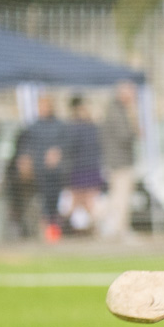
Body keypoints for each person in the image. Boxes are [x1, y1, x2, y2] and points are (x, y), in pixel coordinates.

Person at [19, 94, 67, 243]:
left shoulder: (59, 126)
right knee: (42, 201)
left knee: (55, 201)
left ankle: (55, 231)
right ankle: (43, 231)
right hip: (39, 172)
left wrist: (58, 152)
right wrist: (25, 158)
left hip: (56, 173)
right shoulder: (33, 126)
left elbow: (67, 143)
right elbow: (25, 145)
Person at [99, 82, 138, 240]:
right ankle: (119, 230)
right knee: (120, 197)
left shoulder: (116, 110)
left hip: (119, 161)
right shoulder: (116, 111)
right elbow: (125, 135)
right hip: (119, 162)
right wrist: (134, 124)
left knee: (118, 197)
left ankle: (114, 228)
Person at [64, 95, 105, 234]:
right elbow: (68, 149)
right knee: (76, 201)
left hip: (91, 168)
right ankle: (64, 228)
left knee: (90, 202)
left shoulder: (93, 127)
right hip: (77, 169)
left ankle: (96, 228)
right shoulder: (72, 128)